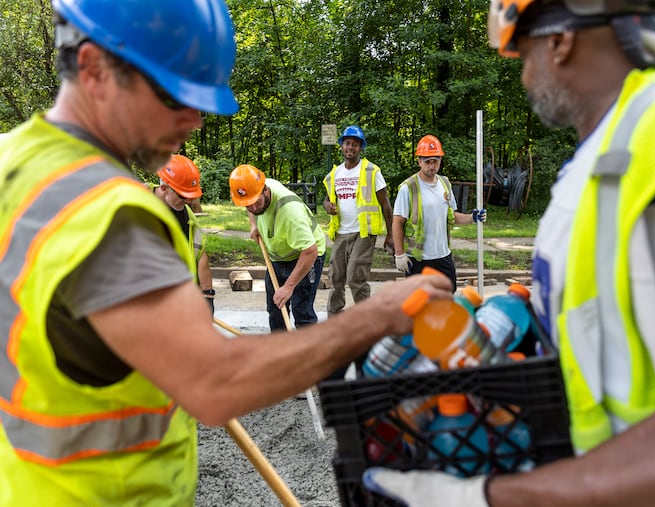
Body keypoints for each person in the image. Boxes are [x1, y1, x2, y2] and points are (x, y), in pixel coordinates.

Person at [0, 0, 453, 504]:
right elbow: (213, 383)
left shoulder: (14, 160)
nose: (194, 120)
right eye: (176, 93)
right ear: (92, 67)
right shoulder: (108, 214)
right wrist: (376, 317)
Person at [363, 0, 655, 505]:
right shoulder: (614, 145)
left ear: (559, 40)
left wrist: (498, 496)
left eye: (523, 54)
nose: (525, 76)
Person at [322, 125, 395, 378]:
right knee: (336, 279)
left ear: (360, 147)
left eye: (355, 144)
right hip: (341, 233)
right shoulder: (333, 174)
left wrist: (391, 234)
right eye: (347, 143)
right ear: (341, 145)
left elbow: (385, 203)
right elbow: (329, 199)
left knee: (356, 277)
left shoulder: (372, 171)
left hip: (364, 233)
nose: (350, 147)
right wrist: (327, 205)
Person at [229, 164, 326, 331]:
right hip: (278, 257)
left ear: (265, 190)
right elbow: (250, 203)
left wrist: (288, 287)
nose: (252, 208)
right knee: (275, 309)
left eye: (256, 202)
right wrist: (254, 224)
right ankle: (280, 351)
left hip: (305, 256)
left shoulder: (291, 212)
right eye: (247, 205)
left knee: (302, 310)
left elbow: (310, 251)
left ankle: (309, 354)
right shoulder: (255, 190)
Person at [392, 134, 487, 291]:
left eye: (435, 161)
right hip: (418, 259)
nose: (431, 165)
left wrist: (472, 218)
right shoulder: (408, 188)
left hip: (443, 256)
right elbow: (397, 222)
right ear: (419, 161)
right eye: (427, 161)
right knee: (420, 304)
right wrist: (399, 254)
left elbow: (451, 216)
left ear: (440, 161)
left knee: (448, 296)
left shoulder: (445, 183)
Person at [152, 154, 216, 314]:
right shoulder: (135, 205)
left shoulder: (187, 216)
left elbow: (200, 255)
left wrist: (207, 296)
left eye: (190, 196)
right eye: (182, 195)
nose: (187, 202)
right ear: (164, 188)